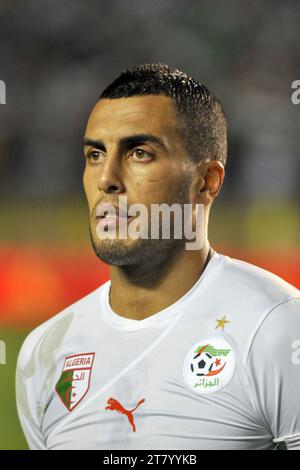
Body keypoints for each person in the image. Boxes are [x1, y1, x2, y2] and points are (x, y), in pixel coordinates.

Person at [16, 63, 300, 450]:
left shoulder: (278, 328)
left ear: (206, 181)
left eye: (139, 153)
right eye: (95, 154)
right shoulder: (44, 351)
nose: (106, 179)